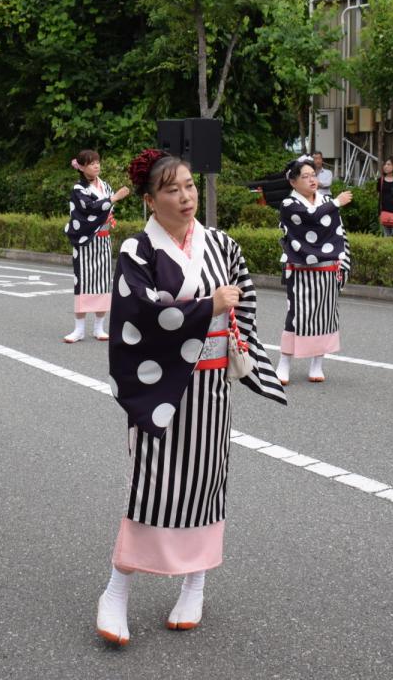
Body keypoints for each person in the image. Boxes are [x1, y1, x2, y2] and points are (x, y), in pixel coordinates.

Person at [95, 149, 286, 646]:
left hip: (210, 387)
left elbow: (242, 299)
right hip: (160, 386)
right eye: (172, 189)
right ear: (149, 200)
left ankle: (195, 583)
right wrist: (206, 306)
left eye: (190, 186)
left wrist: (240, 341)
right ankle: (117, 588)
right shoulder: (138, 250)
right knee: (150, 482)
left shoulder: (221, 243)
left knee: (205, 479)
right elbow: (137, 312)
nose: (185, 197)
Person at [276, 155, 353, 384]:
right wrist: (336, 203)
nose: (312, 180)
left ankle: (317, 363)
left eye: (314, 175)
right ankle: (284, 362)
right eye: (305, 176)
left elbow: (339, 234)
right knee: (296, 315)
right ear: (293, 182)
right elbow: (310, 218)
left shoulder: (325, 201)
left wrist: (344, 261)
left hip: (328, 267)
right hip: (300, 267)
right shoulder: (289, 204)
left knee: (325, 315)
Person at [62, 149, 129, 343]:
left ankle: (99, 327)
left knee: (103, 282)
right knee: (82, 283)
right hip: (85, 241)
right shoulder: (78, 189)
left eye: (98, 162)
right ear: (82, 167)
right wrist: (113, 199)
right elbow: (88, 209)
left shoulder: (105, 186)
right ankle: (79, 329)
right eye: (92, 163)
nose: (97, 165)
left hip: (103, 240)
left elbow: (106, 209)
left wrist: (110, 203)